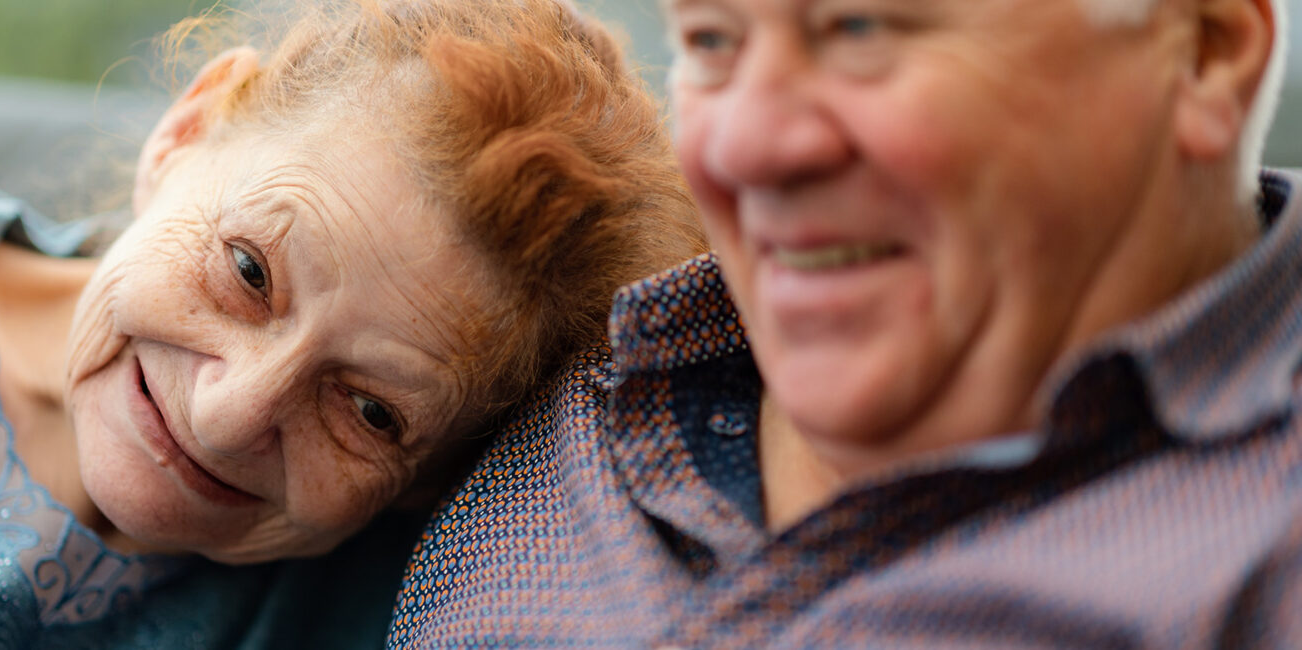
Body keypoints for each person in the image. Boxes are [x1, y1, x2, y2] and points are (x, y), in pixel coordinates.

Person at [0, 0, 703, 646]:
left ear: (428, 478)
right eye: (250, 270)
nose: (229, 414)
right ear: (187, 129)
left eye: (369, 410)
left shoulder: (375, 602)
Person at [390, 0, 1299, 647]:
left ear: (1204, 53)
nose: (742, 146)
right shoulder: (567, 368)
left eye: (861, 29)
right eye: (711, 39)